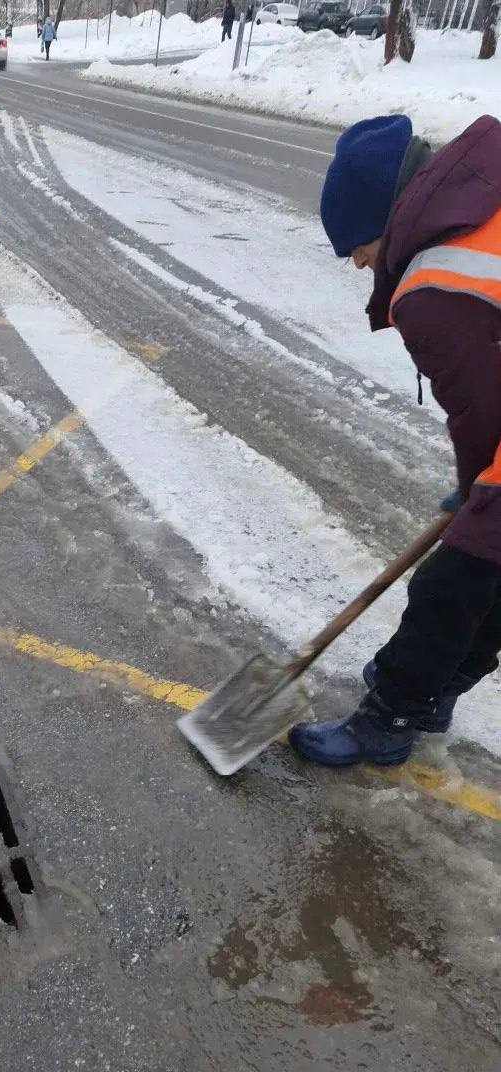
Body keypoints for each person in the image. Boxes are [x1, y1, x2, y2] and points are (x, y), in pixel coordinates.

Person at [289, 113, 501, 768]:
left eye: (355, 245)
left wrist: (475, 494)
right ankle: (434, 688)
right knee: (488, 558)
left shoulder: (434, 288)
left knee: (456, 575)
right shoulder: (482, 190)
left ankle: (388, 720)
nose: (358, 262)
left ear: (383, 217)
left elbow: (482, 416)